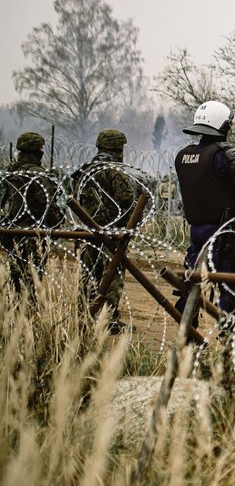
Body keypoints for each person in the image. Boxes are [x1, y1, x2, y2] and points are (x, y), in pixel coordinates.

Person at [174, 100, 235, 322]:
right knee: (229, 286)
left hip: (197, 230)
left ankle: (187, 333)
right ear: (221, 126)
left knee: (195, 281)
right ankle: (228, 335)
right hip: (226, 231)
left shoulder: (183, 156)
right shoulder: (225, 154)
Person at [73, 128, 136, 333]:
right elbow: (126, 199)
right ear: (118, 148)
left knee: (88, 273)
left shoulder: (84, 169)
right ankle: (108, 319)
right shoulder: (114, 169)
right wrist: (130, 225)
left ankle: (83, 314)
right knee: (112, 275)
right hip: (111, 231)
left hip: (86, 230)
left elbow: (75, 198)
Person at [0, 132, 63, 300]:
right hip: (32, 231)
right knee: (32, 275)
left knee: (15, 272)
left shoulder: (11, 172)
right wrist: (57, 225)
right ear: (35, 151)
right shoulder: (37, 173)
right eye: (40, 149)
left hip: (12, 229)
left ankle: (14, 308)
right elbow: (47, 204)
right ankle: (27, 311)